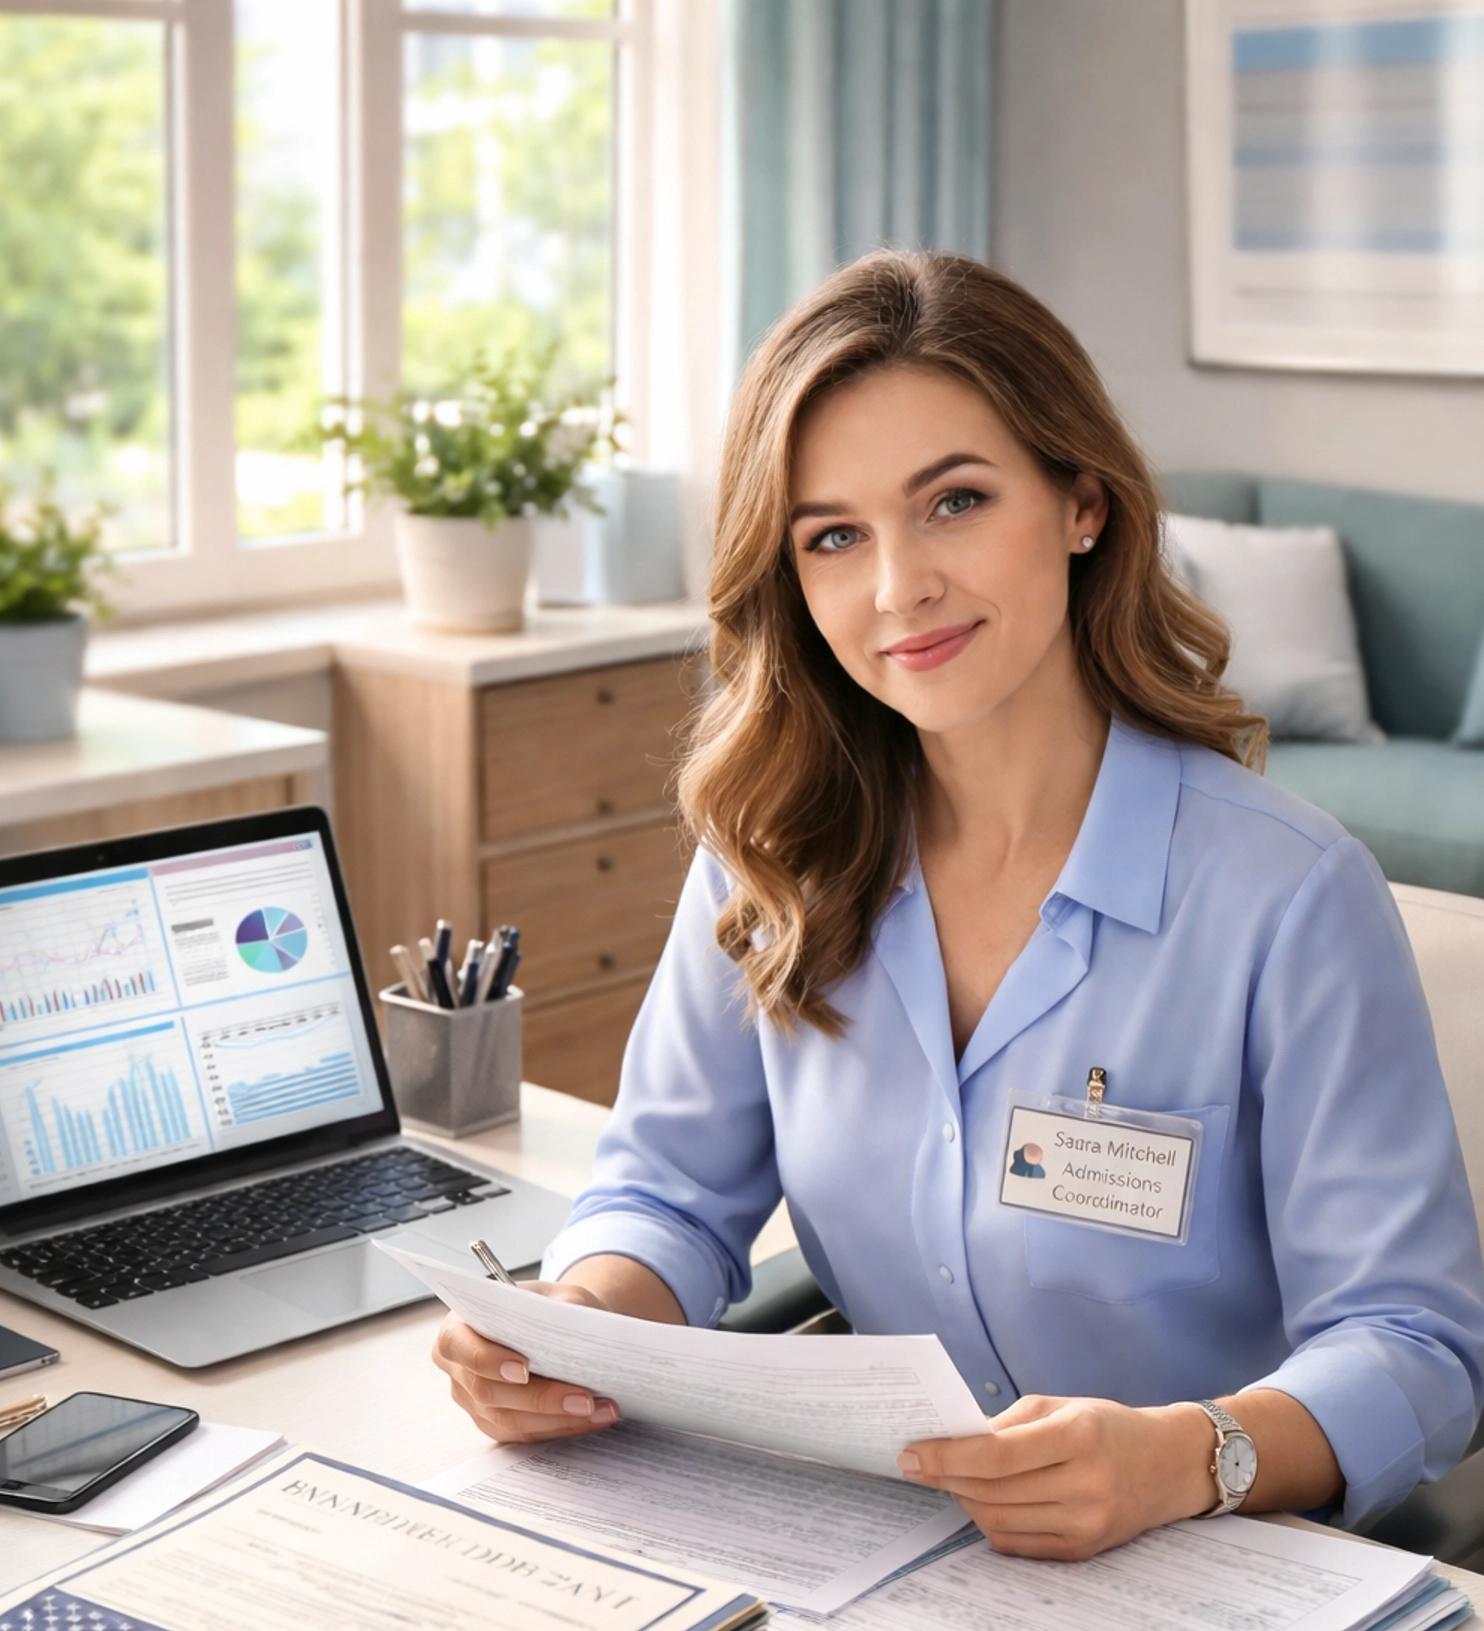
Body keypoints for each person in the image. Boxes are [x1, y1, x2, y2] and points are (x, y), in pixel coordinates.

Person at [433, 250, 1484, 1562]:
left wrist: (1184, 1457)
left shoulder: (1290, 897)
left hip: (1217, 1570)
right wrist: (574, 1329)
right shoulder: (774, 855)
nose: (898, 591)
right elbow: (667, 1195)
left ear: (1081, 505)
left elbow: (1419, 1348)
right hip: (893, 1566)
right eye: (834, 536)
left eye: (955, 503)